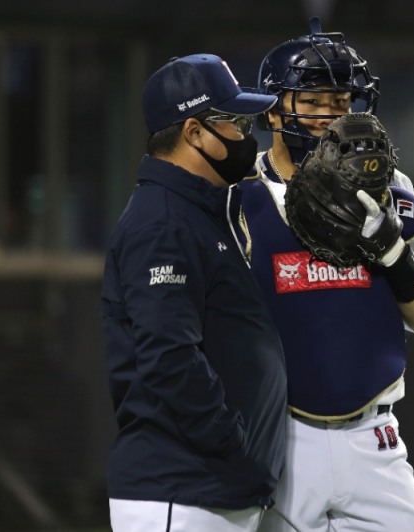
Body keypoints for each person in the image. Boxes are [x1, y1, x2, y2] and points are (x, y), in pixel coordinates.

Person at [238, 18, 414, 532]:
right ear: (272, 109)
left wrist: (393, 255)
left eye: (340, 102)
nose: (329, 116)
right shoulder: (238, 198)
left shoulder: (393, 192)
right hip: (279, 440)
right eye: (311, 101)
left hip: (374, 442)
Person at [101, 53, 288, 532]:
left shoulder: (198, 212)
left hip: (209, 490)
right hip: (181, 491)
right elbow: (169, 357)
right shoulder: (162, 223)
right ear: (194, 132)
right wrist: (234, 445)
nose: (248, 136)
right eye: (234, 123)